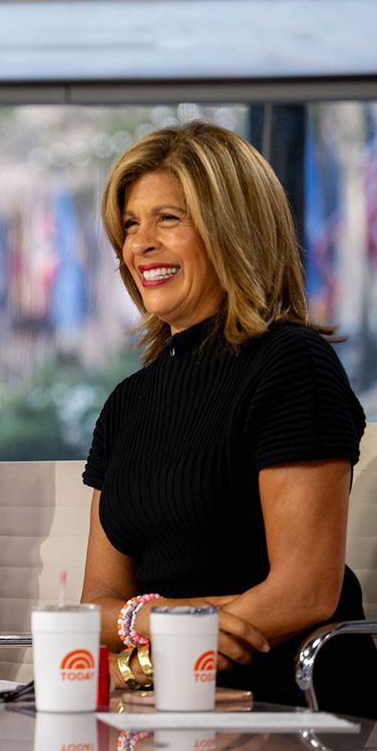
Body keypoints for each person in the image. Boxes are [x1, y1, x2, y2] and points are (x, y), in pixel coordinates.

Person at [80, 121, 375, 716]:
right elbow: (95, 606)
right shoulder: (127, 402)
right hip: (160, 706)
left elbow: (305, 593)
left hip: (284, 702)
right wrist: (167, 620)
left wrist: (144, 656)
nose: (140, 245)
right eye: (130, 225)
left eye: (168, 219)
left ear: (232, 230)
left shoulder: (292, 364)